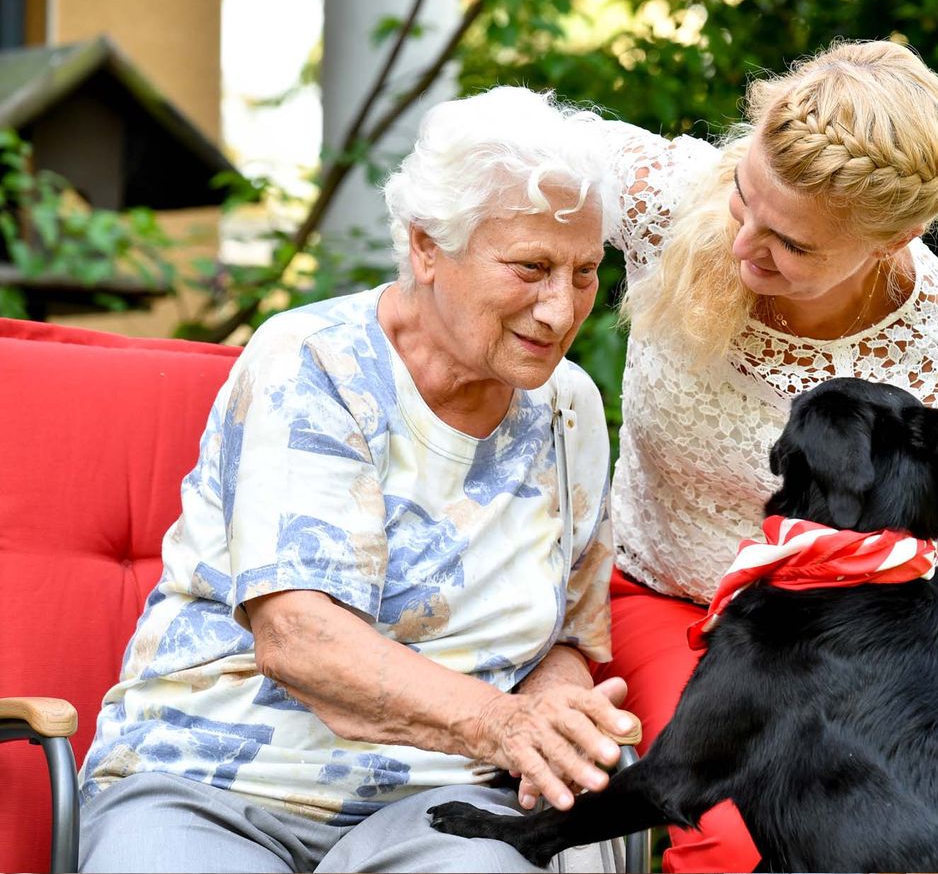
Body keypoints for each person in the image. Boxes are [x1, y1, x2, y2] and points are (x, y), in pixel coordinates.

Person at [76, 86, 640, 874]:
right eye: (530, 268)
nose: (559, 309)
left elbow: (568, 637)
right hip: (215, 780)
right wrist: (502, 723)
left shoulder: (567, 406)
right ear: (424, 247)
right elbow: (300, 638)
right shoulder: (313, 359)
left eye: (584, 272)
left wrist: (552, 710)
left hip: (438, 799)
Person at [588, 39, 938, 873]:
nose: (746, 243)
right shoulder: (662, 192)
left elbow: (908, 547)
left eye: (795, 246)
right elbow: (485, 155)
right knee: (738, 841)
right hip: (667, 589)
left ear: (897, 238)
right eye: (746, 198)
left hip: (873, 624)